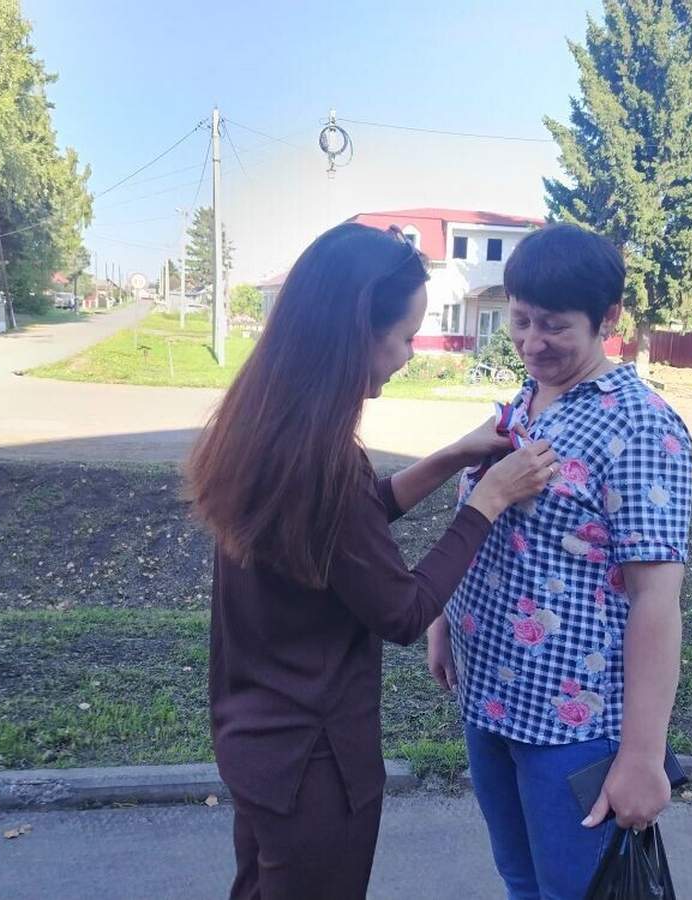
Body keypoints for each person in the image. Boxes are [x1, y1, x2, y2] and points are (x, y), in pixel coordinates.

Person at [187, 222, 558, 900]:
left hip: (258, 742)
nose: (409, 354)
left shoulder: (267, 429)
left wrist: (451, 457)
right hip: (314, 763)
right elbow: (403, 611)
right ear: (359, 332)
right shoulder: (322, 463)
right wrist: (488, 502)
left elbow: (349, 528)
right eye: (406, 336)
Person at [427, 223, 692, 899]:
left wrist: (642, 756)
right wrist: (442, 618)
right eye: (521, 320)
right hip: (490, 696)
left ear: (608, 318)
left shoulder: (639, 424)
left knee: (574, 893)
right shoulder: (524, 403)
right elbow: (489, 526)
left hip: (572, 721)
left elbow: (657, 600)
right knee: (521, 880)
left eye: (555, 326)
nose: (532, 342)